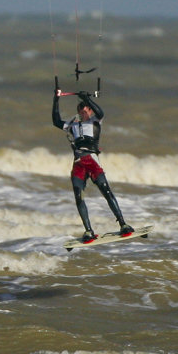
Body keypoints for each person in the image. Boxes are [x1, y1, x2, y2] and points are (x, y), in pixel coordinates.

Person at [52, 87, 133, 243]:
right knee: (78, 196)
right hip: (78, 164)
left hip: (92, 161)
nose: (85, 114)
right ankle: (88, 230)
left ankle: (123, 224)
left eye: (87, 111)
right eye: (82, 111)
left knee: (106, 191)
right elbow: (56, 121)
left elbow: (100, 111)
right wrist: (56, 99)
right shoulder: (72, 125)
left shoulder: (95, 121)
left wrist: (88, 99)